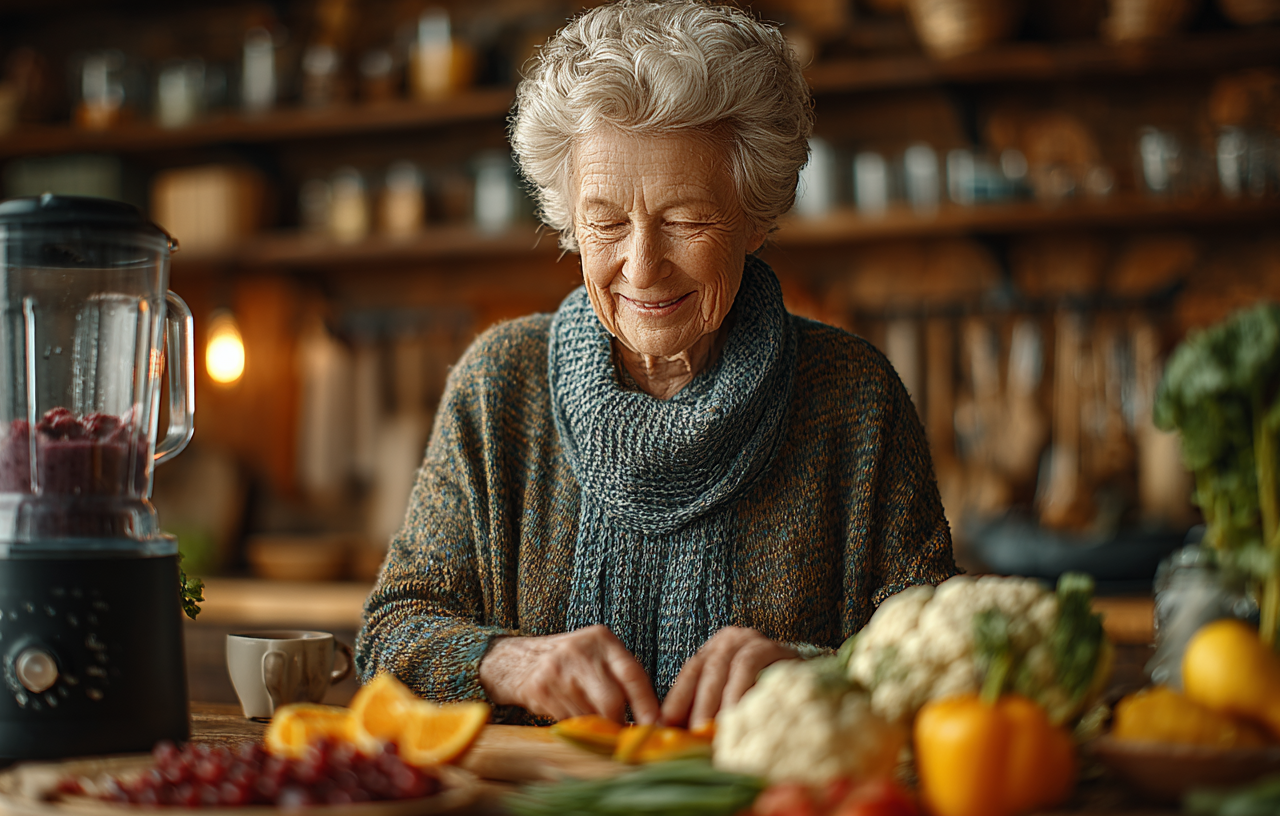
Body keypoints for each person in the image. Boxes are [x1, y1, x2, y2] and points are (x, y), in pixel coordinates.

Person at [355, 0, 956, 729]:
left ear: (756, 215)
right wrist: (511, 661)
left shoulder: (855, 398)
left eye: (686, 220)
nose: (641, 268)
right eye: (605, 223)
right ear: (568, 221)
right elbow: (390, 634)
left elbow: (948, 662)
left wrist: (814, 674)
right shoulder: (499, 383)